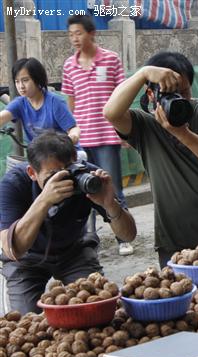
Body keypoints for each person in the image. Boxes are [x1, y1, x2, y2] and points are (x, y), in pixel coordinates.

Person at [103, 51, 198, 267]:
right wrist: (144, 73)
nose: (180, 100)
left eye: (184, 92)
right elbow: (111, 113)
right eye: (170, 94)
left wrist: (182, 133)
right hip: (173, 244)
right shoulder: (145, 126)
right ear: (151, 95)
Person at [0, 131, 137, 314]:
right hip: (27, 260)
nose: (64, 180)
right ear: (32, 172)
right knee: (27, 319)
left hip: (73, 252)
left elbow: (128, 235)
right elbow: (14, 250)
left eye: (68, 171)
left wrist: (110, 204)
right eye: (53, 175)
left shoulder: (85, 175)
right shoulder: (13, 184)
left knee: (96, 309)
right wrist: (44, 200)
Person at [62, 14, 133, 256]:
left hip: (107, 135)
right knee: (84, 188)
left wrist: (125, 132)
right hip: (82, 138)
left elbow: (122, 95)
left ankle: (122, 237)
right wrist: (70, 134)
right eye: (71, 34)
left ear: (92, 33)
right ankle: (89, 237)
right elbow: (70, 105)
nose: (75, 39)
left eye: (79, 33)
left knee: (113, 187)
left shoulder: (111, 60)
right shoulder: (69, 65)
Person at [0, 58, 86, 160]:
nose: (21, 86)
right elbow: (2, 117)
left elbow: (74, 128)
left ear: (37, 79)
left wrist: (73, 136)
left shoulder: (55, 102)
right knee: (14, 173)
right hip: (41, 159)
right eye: (17, 81)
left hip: (68, 156)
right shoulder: (20, 103)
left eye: (25, 80)